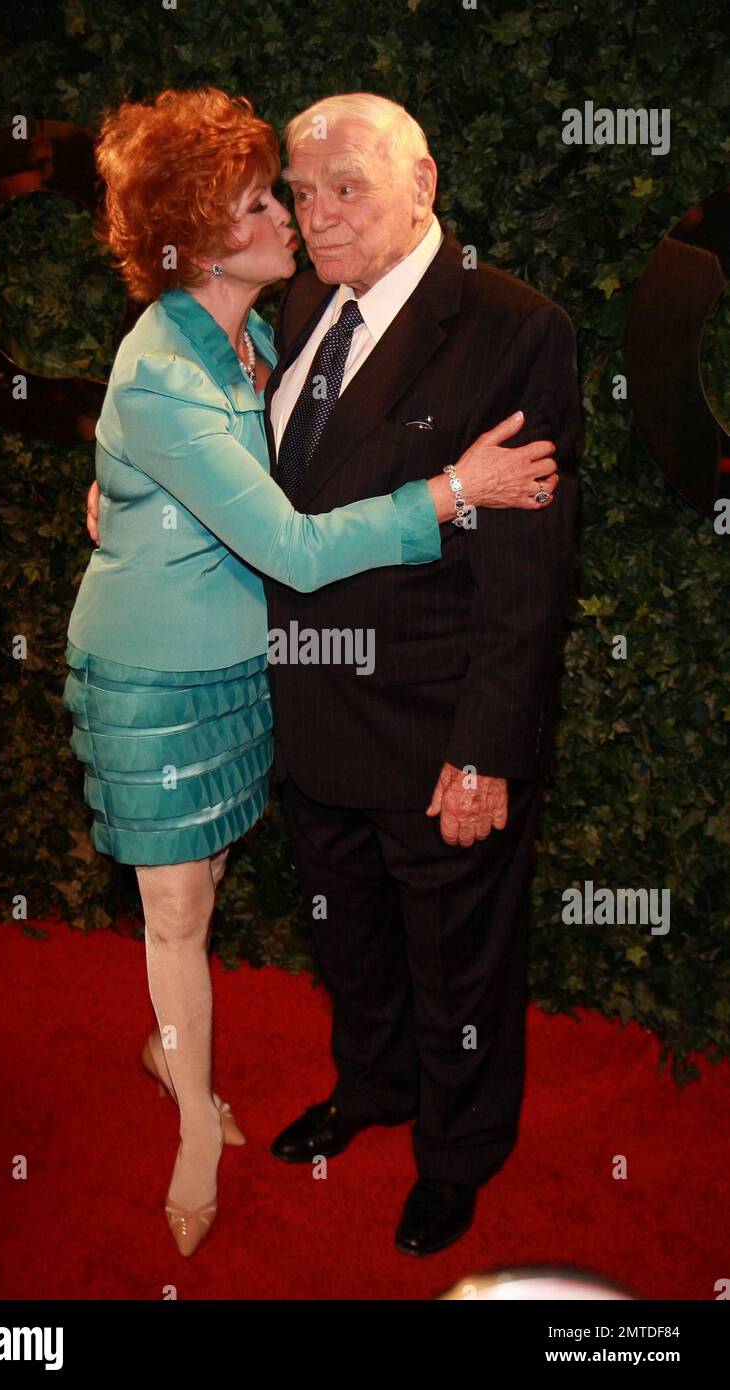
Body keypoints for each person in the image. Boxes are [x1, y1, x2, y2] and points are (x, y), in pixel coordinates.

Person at [73, 87, 561, 1259]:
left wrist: (485, 745)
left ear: (423, 182)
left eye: (344, 189)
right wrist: (124, 495)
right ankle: (371, 1088)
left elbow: (527, 575)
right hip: (295, 703)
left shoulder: (511, 326)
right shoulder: (285, 304)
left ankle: (455, 1156)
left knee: (458, 958)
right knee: (346, 941)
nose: (316, 215)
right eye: (295, 194)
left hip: (433, 720)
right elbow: (251, 502)